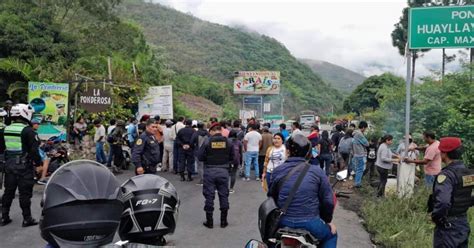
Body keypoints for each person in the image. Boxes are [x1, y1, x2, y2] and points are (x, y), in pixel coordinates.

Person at [268, 134, 337, 247]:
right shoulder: (317, 172)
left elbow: (271, 197)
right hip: (311, 223)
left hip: (283, 222)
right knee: (331, 235)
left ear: (287, 151)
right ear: (308, 154)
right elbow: (328, 201)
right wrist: (327, 221)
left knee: (272, 241)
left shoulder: (278, 171)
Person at [1, 104, 41, 227]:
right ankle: (27, 218)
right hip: (24, 166)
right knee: (25, 193)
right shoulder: (28, 131)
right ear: (25, 114)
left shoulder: (5, 130)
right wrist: (38, 165)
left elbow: (2, 148)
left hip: (9, 165)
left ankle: (4, 217)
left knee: (8, 192)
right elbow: (34, 151)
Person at [429, 137, 472, 248]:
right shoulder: (467, 172)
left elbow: (443, 202)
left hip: (448, 227)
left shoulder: (446, 175)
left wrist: (436, 218)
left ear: (445, 153)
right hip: (463, 223)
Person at [197, 122, 234, 229]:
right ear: (221, 131)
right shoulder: (228, 142)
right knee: (223, 195)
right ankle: (224, 222)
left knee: (209, 196)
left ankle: (210, 222)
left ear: (212, 131)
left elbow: (200, 156)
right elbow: (233, 156)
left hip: (209, 170)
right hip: (224, 171)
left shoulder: (207, 141)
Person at [351, 121, 369, 188]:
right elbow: (367, 143)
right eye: (366, 128)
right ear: (363, 127)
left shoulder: (355, 133)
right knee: (360, 169)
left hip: (356, 153)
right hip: (360, 154)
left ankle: (357, 182)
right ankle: (357, 183)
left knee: (358, 168)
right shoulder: (359, 134)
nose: (365, 130)